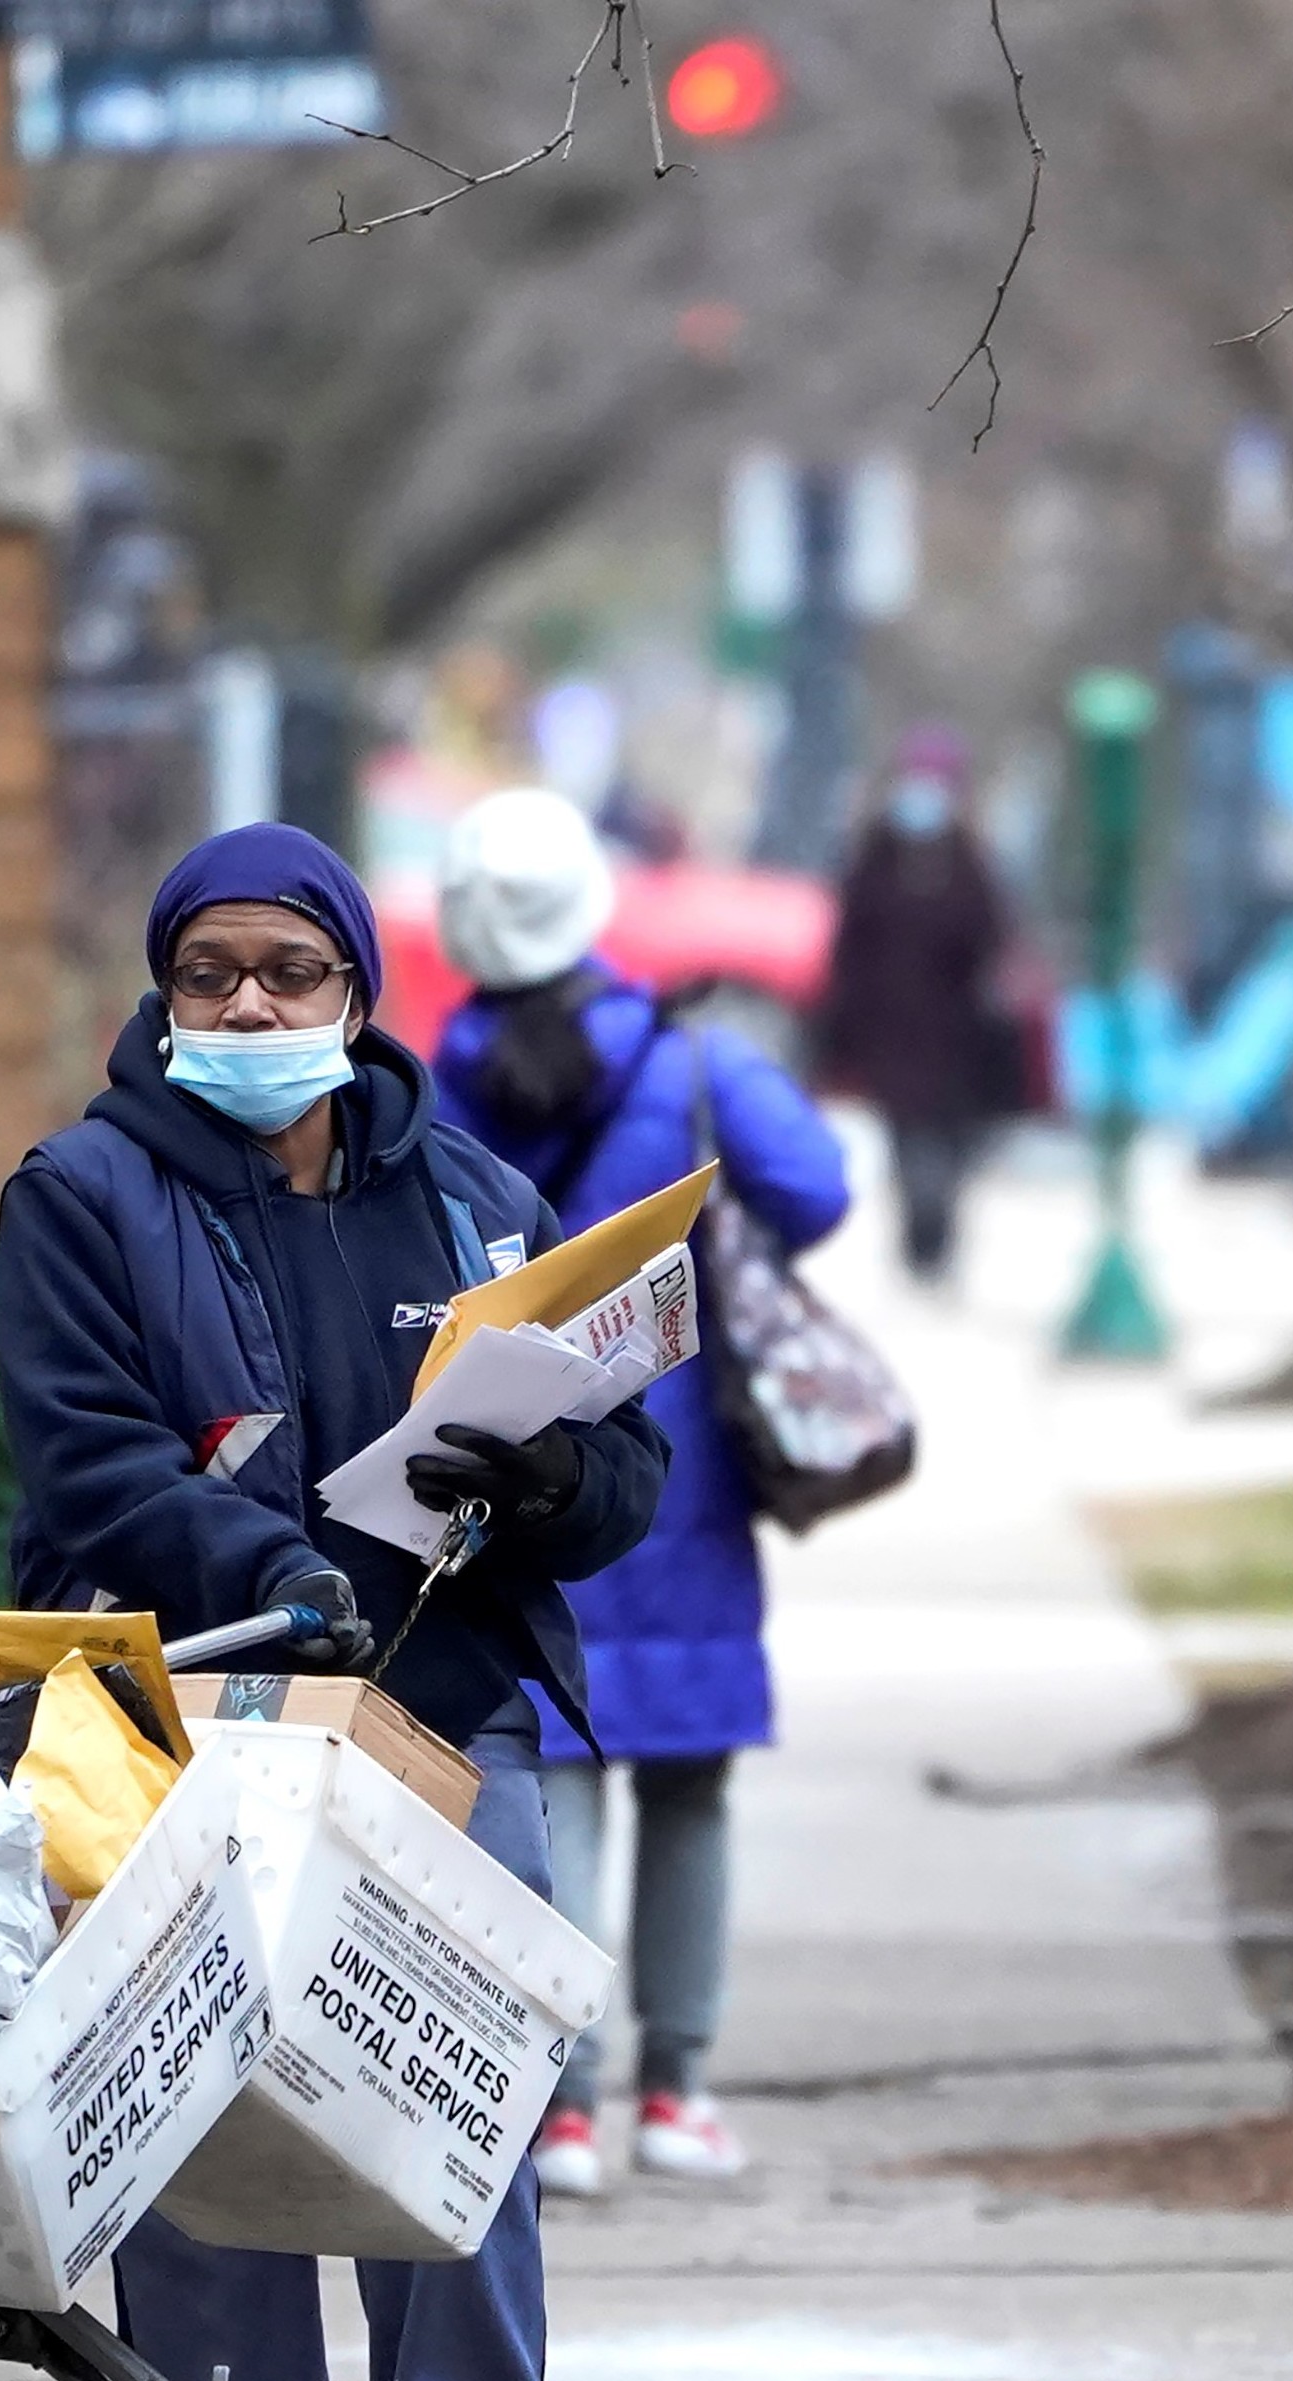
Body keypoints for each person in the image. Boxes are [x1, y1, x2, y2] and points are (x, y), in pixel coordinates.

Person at [0, 821, 673, 2381]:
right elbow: (86, 1461)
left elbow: (622, 1470)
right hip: (190, 1719)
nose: (249, 1004)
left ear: (358, 990)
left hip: (447, 1723)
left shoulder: (475, 1204)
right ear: (165, 991)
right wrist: (260, 1563)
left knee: (455, 2141)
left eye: (287, 971)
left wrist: (551, 1481)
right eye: (209, 972)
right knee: (208, 2160)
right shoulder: (82, 1193)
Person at [428, 788, 852, 2197]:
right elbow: (819, 1191)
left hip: (519, 1477)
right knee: (691, 1788)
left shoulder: (433, 1083)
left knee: (555, 1776)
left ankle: (559, 2110)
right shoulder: (696, 1067)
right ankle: (679, 2092)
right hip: (685, 1485)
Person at [815, 725, 1019, 1285]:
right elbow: (849, 944)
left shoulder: (970, 862)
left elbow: (991, 941)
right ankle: (918, 1243)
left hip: (954, 1039)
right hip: (890, 1034)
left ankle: (939, 1238)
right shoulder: (875, 856)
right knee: (907, 1142)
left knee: (947, 1146)